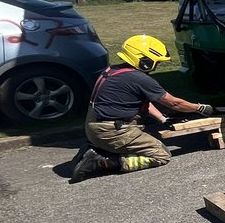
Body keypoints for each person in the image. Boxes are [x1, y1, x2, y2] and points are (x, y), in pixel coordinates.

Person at [71, 35, 214, 183]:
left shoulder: (114, 70)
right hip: (112, 131)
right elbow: (174, 103)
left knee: (133, 141)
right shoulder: (138, 78)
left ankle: (94, 148)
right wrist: (200, 108)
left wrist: (162, 118)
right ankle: (101, 161)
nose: (156, 66)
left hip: (95, 127)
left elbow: (143, 100)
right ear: (145, 60)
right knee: (160, 155)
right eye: (155, 62)